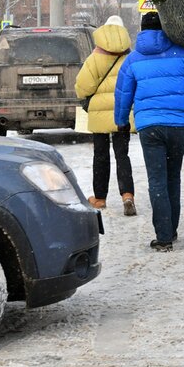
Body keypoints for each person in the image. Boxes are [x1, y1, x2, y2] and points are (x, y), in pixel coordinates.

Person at [114, 12, 184, 251]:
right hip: (177, 126)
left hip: (149, 128)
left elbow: (123, 95)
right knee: (172, 177)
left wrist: (121, 121)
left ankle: (163, 237)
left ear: (142, 31)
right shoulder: (180, 53)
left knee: (157, 181)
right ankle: (172, 230)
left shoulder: (132, 61)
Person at [75, 15, 136, 216]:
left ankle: (100, 198)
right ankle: (127, 195)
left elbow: (83, 87)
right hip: (123, 113)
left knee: (100, 156)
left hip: (99, 114)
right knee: (122, 154)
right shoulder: (130, 57)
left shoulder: (94, 58)